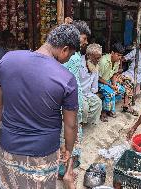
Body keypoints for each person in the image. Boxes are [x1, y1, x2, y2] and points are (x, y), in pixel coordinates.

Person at [0, 24, 80, 188]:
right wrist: (68, 149)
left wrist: (6, 119)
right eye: (71, 54)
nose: (69, 59)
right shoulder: (66, 78)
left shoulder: (7, 59)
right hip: (43, 152)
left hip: (9, 144)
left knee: (8, 184)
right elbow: (70, 124)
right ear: (65, 49)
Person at [61, 20, 91, 168]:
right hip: (68, 102)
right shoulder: (67, 55)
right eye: (83, 38)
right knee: (68, 132)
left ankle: (72, 159)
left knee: (74, 130)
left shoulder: (76, 54)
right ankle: (66, 165)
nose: (85, 42)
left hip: (75, 99)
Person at [98, 45, 125, 122]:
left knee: (121, 90)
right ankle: (104, 112)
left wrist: (114, 84)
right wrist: (110, 86)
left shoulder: (117, 61)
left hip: (108, 81)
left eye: (121, 56)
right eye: (118, 55)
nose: (119, 57)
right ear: (112, 53)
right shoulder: (103, 61)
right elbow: (98, 77)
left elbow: (114, 74)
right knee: (110, 93)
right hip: (99, 82)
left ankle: (109, 108)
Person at [80, 43, 102, 126]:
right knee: (84, 107)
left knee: (98, 102)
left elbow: (94, 85)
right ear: (89, 56)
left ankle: (85, 121)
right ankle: (79, 123)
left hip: (88, 93)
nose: (98, 60)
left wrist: (94, 94)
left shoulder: (95, 65)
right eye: (96, 58)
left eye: (99, 58)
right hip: (77, 93)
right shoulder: (78, 63)